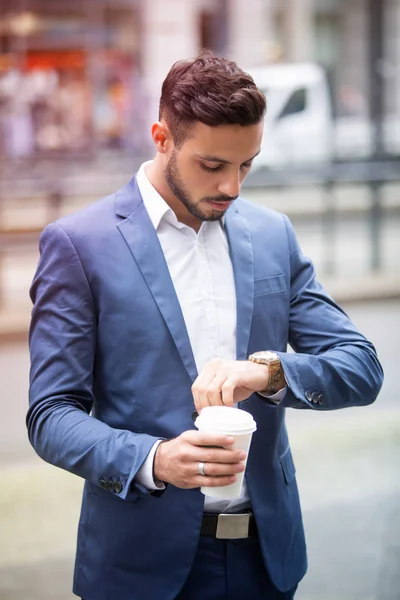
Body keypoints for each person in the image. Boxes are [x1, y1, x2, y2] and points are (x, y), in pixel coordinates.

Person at [27, 50, 383, 600]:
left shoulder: (271, 235)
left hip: (266, 560)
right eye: (213, 166)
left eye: (247, 165)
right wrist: (155, 461)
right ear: (162, 137)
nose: (233, 188)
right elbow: (51, 414)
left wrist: (268, 373)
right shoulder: (79, 246)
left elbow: (361, 369)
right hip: (139, 565)